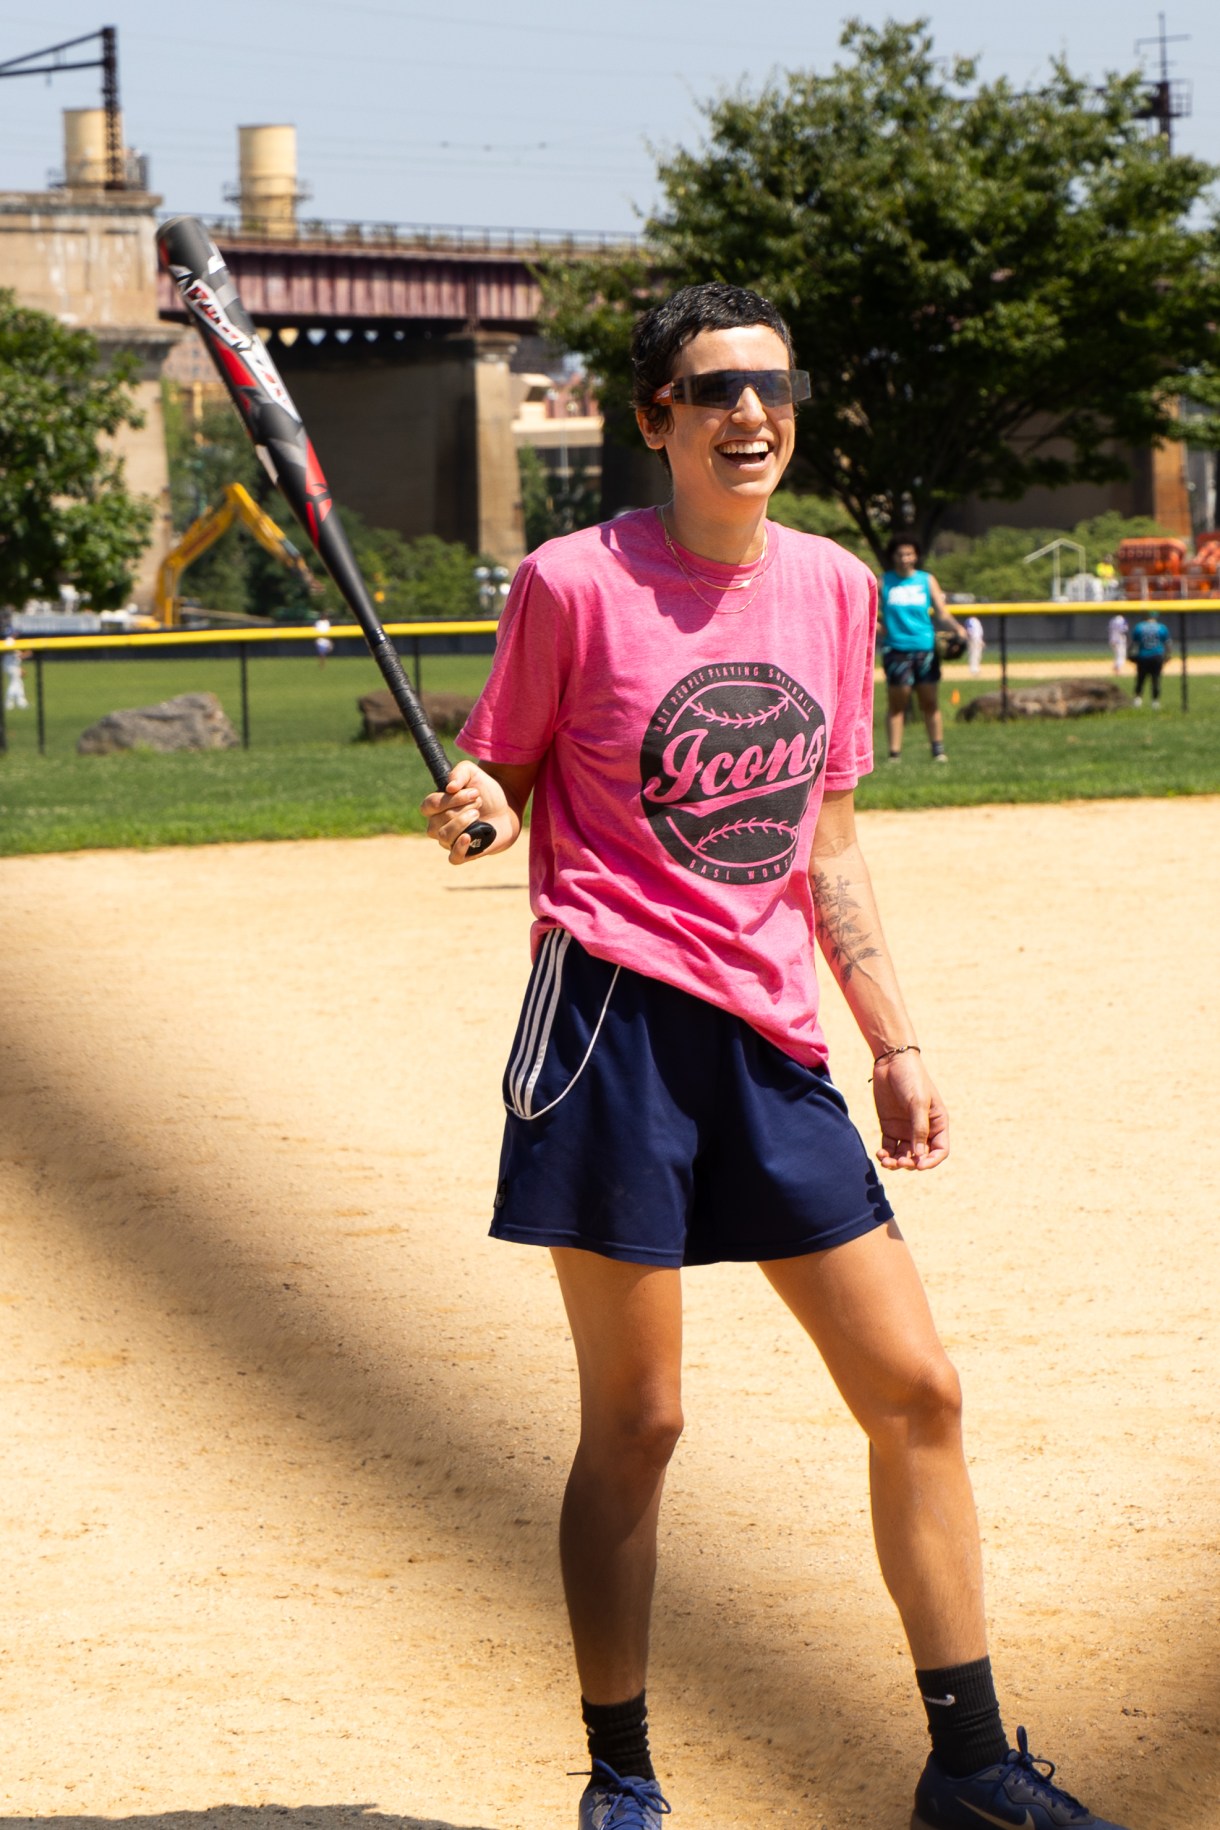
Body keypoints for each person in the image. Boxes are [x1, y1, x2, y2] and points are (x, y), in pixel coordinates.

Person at [422, 283, 1131, 1830]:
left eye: (773, 384)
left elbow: (829, 837)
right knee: (643, 1417)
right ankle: (623, 1771)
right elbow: (507, 764)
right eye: (715, 387)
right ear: (655, 415)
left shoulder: (831, 587)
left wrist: (895, 1035)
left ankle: (971, 1765)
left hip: (770, 1033)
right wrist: (478, 803)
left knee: (917, 1390)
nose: (753, 411)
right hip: (612, 1017)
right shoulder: (571, 581)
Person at [878, 536, 967, 763]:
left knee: (929, 701)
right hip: (896, 649)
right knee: (898, 702)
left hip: (924, 648)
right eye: (900, 554)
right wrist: (880, 629)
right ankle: (894, 754)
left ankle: (938, 750)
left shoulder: (926, 580)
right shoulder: (884, 582)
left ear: (916, 556)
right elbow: (868, 612)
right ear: (893, 556)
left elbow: (941, 611)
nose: (904, 558)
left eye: (909, 554)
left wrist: (958, 629)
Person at [1129, 611, 1171, 707]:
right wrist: (1168, 655)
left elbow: (1133, 643)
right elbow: (1168, 643)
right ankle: (1155, 702)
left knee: (1140, 679)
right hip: (1157, 656)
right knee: (1155, 679)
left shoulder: (1139, 627)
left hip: (1143, 656)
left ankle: (1137, 700)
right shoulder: (1162, 627)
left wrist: (1129, 653)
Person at [3, 642, 30, 710]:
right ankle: (8, 703)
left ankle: (21, 702)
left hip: (11, 666)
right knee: (14, 684)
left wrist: (19, 668)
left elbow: (16, 657)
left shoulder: (10, 641)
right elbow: (18, 656)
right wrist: (27, 653)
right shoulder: (10, 641)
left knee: (19, 684)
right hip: (11, 667)